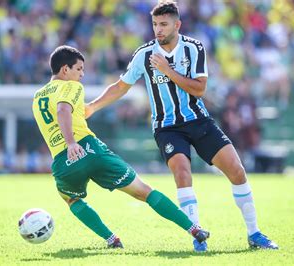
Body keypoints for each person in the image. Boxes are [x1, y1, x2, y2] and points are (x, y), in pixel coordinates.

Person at [85, 1, 277, 251]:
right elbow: (121, 86)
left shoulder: (194, 48)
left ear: (177, 24)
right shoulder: (144, 54)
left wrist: (167, 70)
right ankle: (198, 237)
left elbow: (199, 88)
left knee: (237, 170)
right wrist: (93, 106)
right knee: (183, 174)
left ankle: (254, 234)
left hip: (198, 120)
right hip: (167, 128)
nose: (158, 30)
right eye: (155, 24)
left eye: (163, 24)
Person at [32, 45, 209, 249]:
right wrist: (72, 142)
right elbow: (63, 110)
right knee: (144, 192)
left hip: (63, 162)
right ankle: (194, 229)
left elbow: (57, 116)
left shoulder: (38, 97)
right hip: (88, 149)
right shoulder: (71, 87)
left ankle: (111, 239)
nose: (82, 74)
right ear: (65, 70)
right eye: (79, 69)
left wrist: (69, 143)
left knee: (71, 199)